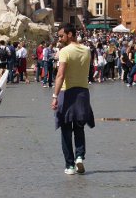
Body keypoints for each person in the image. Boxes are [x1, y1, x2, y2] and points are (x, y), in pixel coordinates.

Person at [51, 23, 94, 175]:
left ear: (70, 34)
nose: (59, 38)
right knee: (79, 127)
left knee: (66, 129)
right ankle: (80, 157)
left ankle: (69, 165)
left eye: (61, 35)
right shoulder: (87, 50)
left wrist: (55, 96)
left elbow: (60, 75)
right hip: (83, 93)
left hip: (67, 92)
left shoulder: (65, 51)